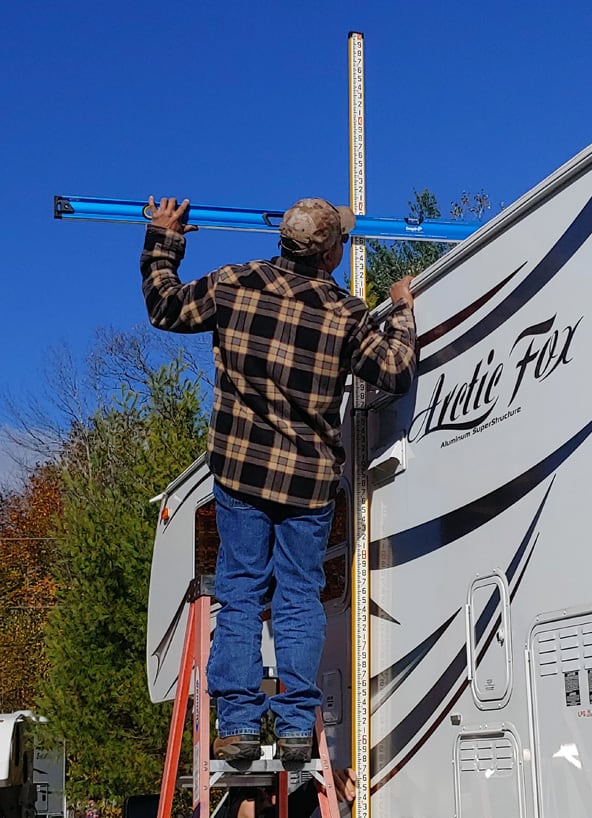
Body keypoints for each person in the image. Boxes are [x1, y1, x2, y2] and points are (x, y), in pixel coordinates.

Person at [140, 197, 417, 763]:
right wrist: (404, 311)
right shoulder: (346, 313)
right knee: (298, 598)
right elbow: (395, 370)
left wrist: (164, 239)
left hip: (240, 472)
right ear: (333, 253)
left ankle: (238, 724)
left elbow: (164, 307)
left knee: (239, 594)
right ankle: (295, 727)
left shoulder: (235, 283)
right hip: (307, 484)